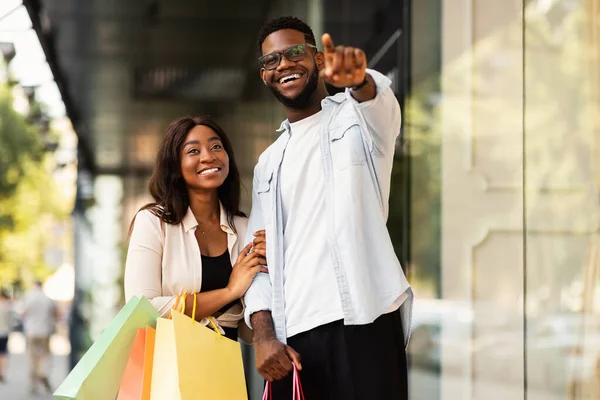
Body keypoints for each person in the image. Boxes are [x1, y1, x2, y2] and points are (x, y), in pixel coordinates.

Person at [243, 16, 413, 399]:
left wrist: (359, 80)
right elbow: (256, 260)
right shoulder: (268, 163)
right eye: (272, 60)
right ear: (264, 75)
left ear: (319, 60)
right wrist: (265, 335)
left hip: (365, 323)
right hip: (294, 342)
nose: (284, 64)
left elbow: (378, 100)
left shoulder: (357, 121)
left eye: (294, 53)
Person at [124, 116, 267, 343]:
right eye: (193, 151)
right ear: (176, 166)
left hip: (225, 368)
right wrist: (229, 292)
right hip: (167, 367)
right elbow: (141, 311)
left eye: (216, 147)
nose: (208, 156)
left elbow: (249, 330)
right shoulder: (152, 222)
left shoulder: (244, 228)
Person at [22, 280, 58, 395]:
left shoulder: (28, 297)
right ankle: (42, 373)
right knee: (45, 356)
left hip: (31, 332)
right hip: (45, 331)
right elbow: (56, 314)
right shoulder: (48, 299)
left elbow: (23, 313)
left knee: (32, 357)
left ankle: (33, 384)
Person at [0, 289, 14, 382]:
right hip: (4, 333)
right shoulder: (8, 307)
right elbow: (11, 322)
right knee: (3, 353)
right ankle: (2, 372)